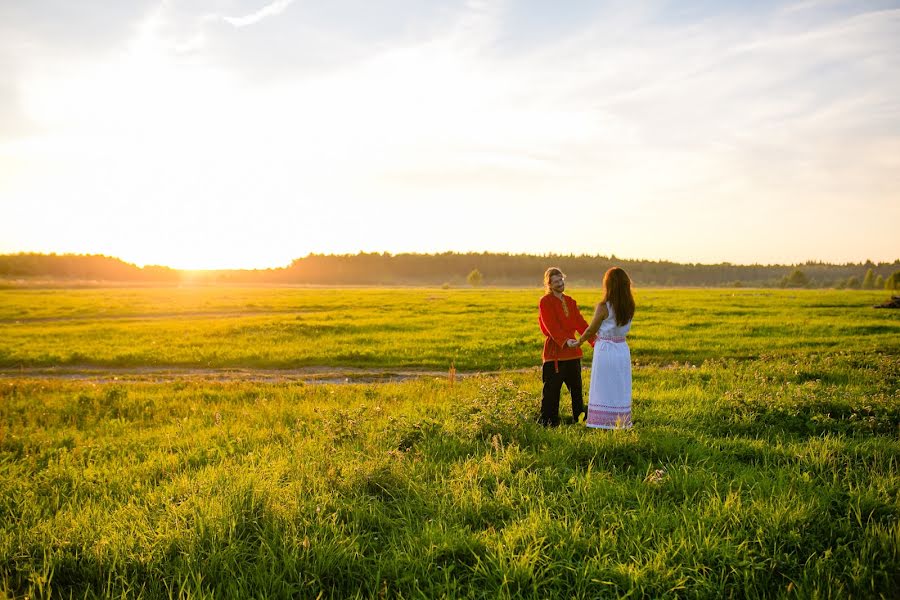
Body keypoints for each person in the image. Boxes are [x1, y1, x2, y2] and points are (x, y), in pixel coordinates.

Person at [574, 267, 635, 429]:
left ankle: (602, 422)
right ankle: (619, 420)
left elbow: (591, 330)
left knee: (603, 385)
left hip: (606, 349)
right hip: (622, 348)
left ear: (608, 285)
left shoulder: (604, 306)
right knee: (619, 385)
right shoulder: (630, 305)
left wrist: (579, 342)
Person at [538, 267, 594, 426]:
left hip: (573, 354)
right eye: (555, 281)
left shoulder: (570, 301)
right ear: (549, 284)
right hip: (554, 355)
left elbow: (580, 323)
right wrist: (566, 340)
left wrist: (594, 340)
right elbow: (551, 326)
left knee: (577, 393)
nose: (559, 283)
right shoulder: (545, 302)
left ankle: (581, 421)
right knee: (551, 394)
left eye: (561, 280)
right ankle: (549, 425)